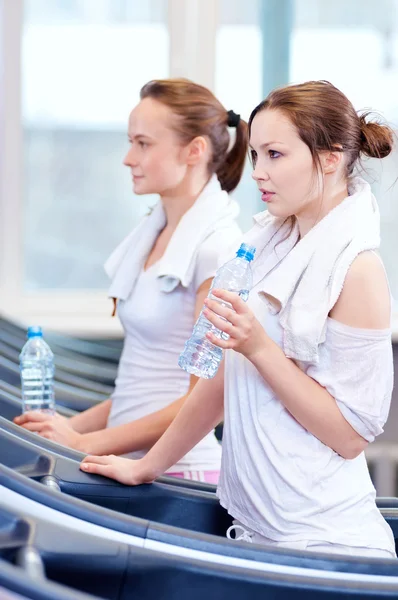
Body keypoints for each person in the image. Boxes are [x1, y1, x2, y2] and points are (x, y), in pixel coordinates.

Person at [79, 81, 397, 558]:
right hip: (258, 531)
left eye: (275, 155)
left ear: (330, 158)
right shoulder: (268, 247)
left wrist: (260, 348)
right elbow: (221, 379)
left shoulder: (359, 270)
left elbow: (349, 437)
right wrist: (148, 466)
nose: (258, 173)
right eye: (255, 156)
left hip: (325, 540)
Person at [14, 78, 248, 484]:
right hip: (127, 465)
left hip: (176, 475)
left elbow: (206, 400)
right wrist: (63, 430)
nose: (128, 158)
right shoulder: (153, 235)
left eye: (143, 143)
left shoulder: (218, 249)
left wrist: (84, 442)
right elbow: (138, 387)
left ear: (194, 150)